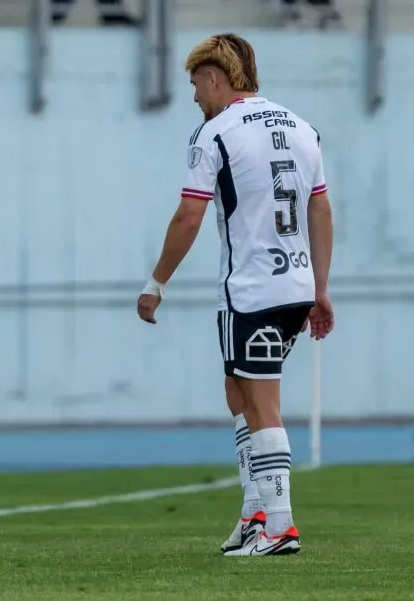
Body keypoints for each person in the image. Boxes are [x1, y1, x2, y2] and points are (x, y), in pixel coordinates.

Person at [136, 33, 334, 556]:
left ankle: (279, 526)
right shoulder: (301, 126)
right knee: (239, 395)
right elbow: (320, 210)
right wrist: (320, 289)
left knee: (262, 403)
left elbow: (189, 215)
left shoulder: (215, 132)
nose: (195, 96)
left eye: (197, 83)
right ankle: (255, 515)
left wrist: (156, 282)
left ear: (217, 78)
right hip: (294, 285)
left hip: (251, 289)